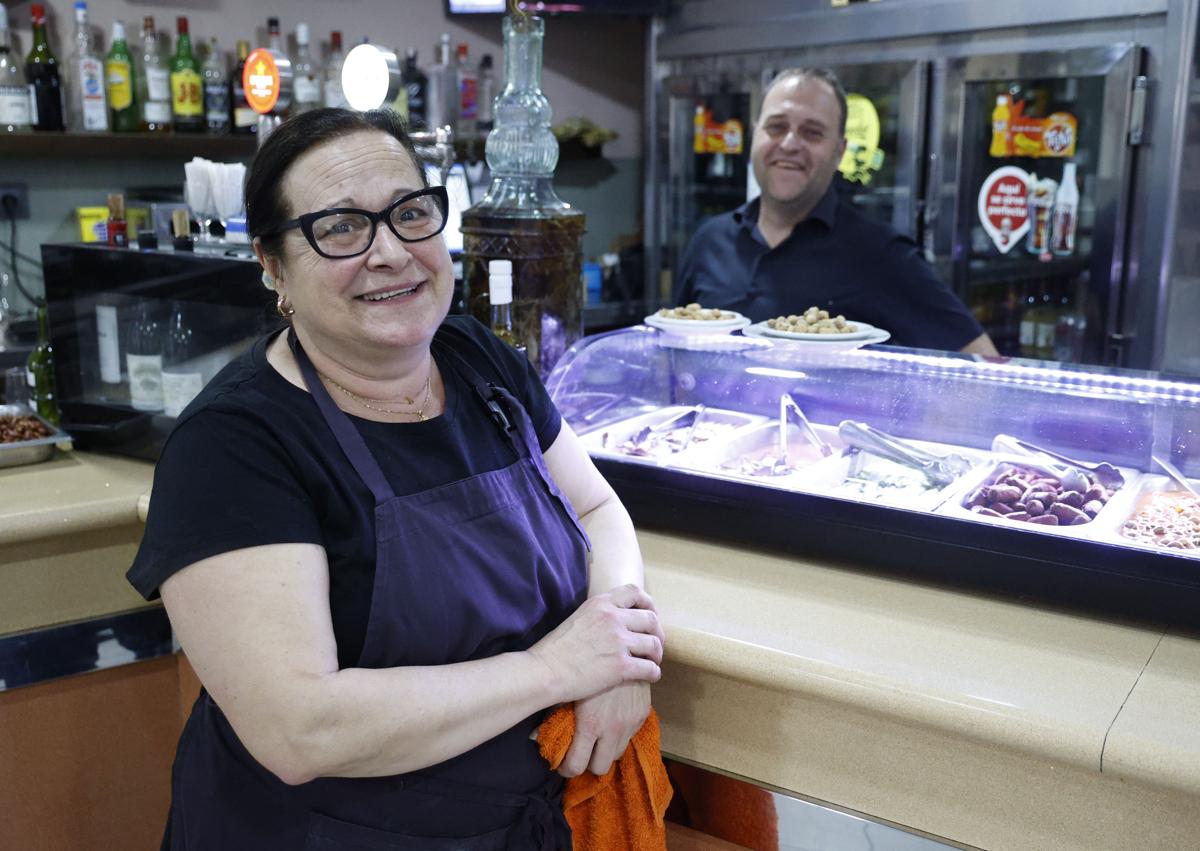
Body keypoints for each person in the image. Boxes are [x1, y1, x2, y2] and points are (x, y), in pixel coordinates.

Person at [126, 108, 665, 850]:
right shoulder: (232, 446)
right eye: (341, 227)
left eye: (410, 213)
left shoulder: (478, 360)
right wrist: (553, 670)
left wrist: (620, 646)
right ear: (272, 264)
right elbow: (300, 728)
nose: (390, 252)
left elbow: (599, 507)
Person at [674, 67, 998, 355]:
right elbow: (671, 347)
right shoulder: (708, 241)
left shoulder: (882, 255)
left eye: (812, 132)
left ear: (840, 151)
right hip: (713, 423)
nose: (789, 144)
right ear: (755, 134)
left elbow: (981, 360)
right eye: (776, 127)